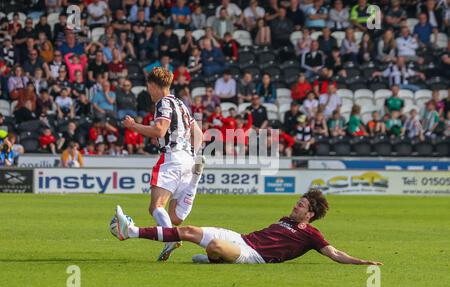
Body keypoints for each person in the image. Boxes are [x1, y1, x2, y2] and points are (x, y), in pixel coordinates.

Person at [111, 189, 380, 265]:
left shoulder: (311, 235)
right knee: (189, 230)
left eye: (300, 205)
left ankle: (214, 258)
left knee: (214, 246)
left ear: (310, 214)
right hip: (241, 238)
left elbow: (334, 254)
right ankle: (131, 232)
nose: (295, 206)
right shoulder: (285, 220)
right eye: (297, 202)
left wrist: (362, 261)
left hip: (255, 257)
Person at [122, 67, 205, 261]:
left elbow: (160, 130)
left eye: (149, 87)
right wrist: (192, 155)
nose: (148, 91)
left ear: (153, 86)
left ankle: (170, 238)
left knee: (156, 206)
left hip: (172, 158)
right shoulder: (181, 104)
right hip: (188, 160)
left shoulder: (163, 103)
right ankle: (193, 183)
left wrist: (133, 126)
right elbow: (199, 134)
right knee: (174, 216)